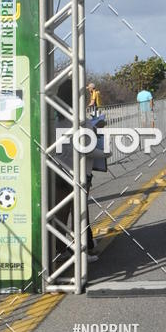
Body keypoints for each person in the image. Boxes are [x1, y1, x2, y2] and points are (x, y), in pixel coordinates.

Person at [55, 79, 98, 263]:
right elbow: (89, 149)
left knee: (60, 214)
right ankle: (82, 252)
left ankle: (59, 250)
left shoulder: (53, 122)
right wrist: (106, 153)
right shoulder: (83, 124)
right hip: (80, 174)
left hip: (58, 173)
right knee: (80, 214)